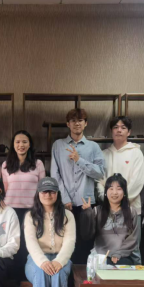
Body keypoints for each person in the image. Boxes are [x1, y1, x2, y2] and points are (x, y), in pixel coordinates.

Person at [51, 108, 105, 265]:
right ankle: (66, 280)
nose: (77, 123)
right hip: (64, 204)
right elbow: (55, 174)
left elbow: (100, 173)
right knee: (65, 245)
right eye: (73, 120)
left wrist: (79, 160)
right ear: (68, 124)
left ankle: (84, 280)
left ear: (86, 123)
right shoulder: (58, 145)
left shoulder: (93, 147)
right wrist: (64, 198)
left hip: (86, 205)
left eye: (80, 120)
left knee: (85, 246)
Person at [24, 177, 75, 287]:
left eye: (52, 191)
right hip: (36, 259)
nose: (48, 195)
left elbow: (70, 241)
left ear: (57, 194)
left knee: (58, 274)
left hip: (61, 258)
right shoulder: (31, 216)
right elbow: (31, 243)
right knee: (41, 272)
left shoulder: (68, 215)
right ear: (38, 193)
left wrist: (59, 261)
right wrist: (43, 262)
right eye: (44, 191)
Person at [100, 116, 144, 264]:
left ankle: (136, 277)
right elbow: (99, 180)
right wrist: (108, 201)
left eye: (123, 127)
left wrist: (121, 202)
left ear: (129, 132)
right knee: (109, 248)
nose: (119, 130)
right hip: (108, 209)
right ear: (111, 131)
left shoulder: (136, 152)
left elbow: (137, 181)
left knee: (132, 247)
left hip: (131, 208)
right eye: (115, 127)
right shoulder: (104, 154)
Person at [2, 130, 46, 280]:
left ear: (30, 144)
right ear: (13, 145)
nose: (21, 145)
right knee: (13, 245)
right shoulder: (6, 165)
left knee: (29, 245)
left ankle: (26, 281)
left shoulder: (38, 164)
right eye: (17, 142)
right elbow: (4, 190)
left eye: (24, 142)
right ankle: (14, 282)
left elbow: (42, 189)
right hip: (10, 211)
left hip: (32, 211)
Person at [81, 174, 140, 266]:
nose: (114, 192)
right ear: (106, 192)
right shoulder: (97, 211)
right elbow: (87, 235)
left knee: (123, 265)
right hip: (101, 256)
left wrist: (119, 253)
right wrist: (88, 214)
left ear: (124, 192)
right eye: (111, 189)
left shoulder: (131, 212)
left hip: (124, 256)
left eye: (119, 189)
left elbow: (134, 238)